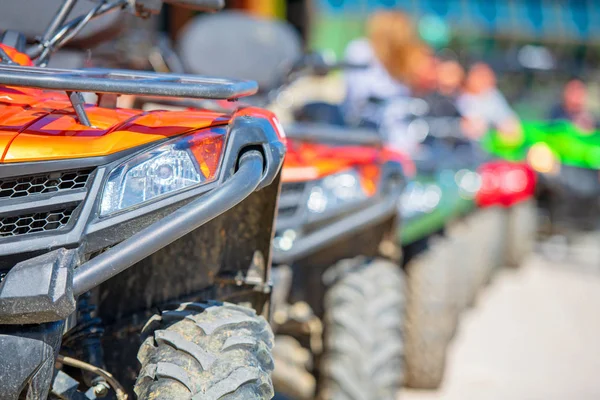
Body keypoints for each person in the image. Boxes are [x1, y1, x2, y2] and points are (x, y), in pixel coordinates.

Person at [457, 62, 522, 140]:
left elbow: (509, 120)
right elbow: (474, 127)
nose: (484, 80)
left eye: (486, 76)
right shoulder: (464, 98)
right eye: (480, 76)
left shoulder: (493, 95)